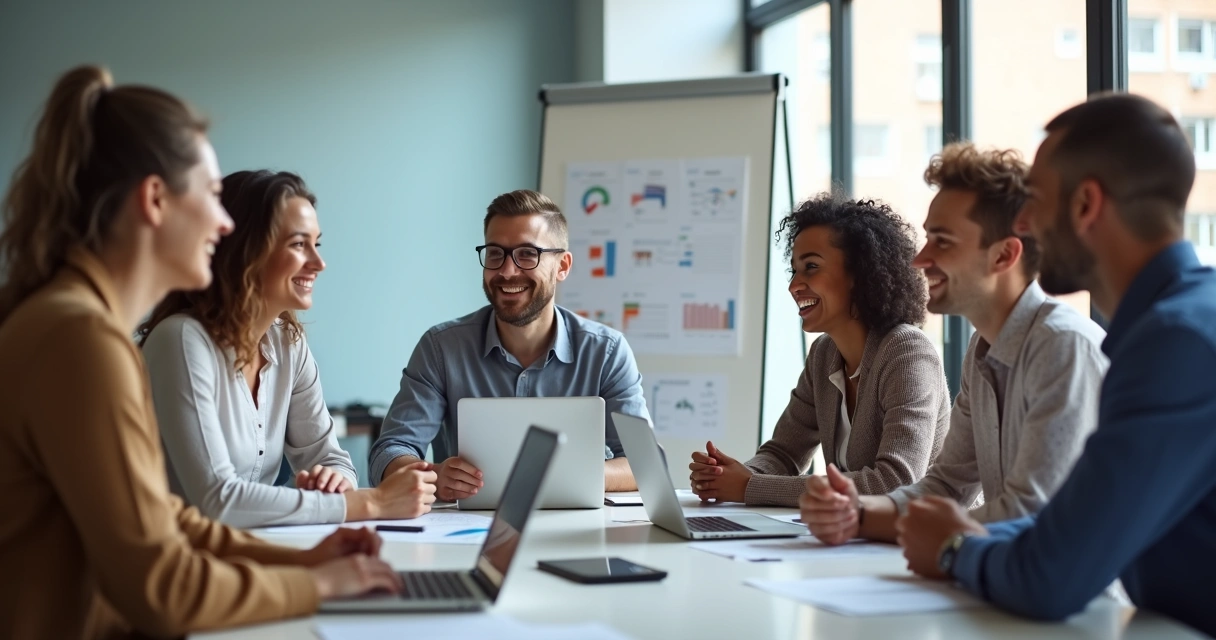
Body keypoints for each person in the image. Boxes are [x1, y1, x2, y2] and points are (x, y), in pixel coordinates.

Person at [0, 66, 403, 639]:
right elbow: (163, 589)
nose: (224, 222)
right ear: (156, 200)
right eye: (213, 197)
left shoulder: (77, 323)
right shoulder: (82, 340)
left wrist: (303, 560)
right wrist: (320, 586)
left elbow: (166, 519)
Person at [896, 94, 1216, 638]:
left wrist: (954, 547)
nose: (1022, 224)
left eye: (1036, 201)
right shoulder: (1178, 325)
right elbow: (1070, 529)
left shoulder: (1174, 346)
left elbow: (1052, 575)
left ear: (1086, 205)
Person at [800, 143, 1107, 544]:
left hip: (1073, 600)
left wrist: (878, 520)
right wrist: (854, 512)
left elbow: (1030, 510)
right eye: (927, 239)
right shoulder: (984, 349)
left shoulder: (1062, 347)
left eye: (942, 241)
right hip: (1000, 582)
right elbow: (945, 486)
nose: (920, 259)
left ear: (1003, 256)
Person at [139, 170, 436, 527]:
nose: (318, 263)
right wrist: (372, 502)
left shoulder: (288, 344)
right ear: (246, 251)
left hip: (251, 552)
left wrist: (334, 484)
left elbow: (333, 458)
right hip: (180, 566)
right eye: (298, 244)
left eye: (317, 244)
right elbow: (217, 501)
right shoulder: (181, 341)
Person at [370, 189, 650, 499]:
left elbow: (646, 465)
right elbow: (389, 451)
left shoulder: (607, 352)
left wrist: (567, 473)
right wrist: (435, 476)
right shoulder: (441, 348)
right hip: (465, 534)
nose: (506, 270)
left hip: (578, 532)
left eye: (527, 254)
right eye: (495, 253)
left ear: (563, 266)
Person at [688, 195, 951, 507]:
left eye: (811, 267)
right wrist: (729, 475)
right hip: (859, 540)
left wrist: (750, 487)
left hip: (932, 542)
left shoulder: (907, 352)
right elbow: (783, 453)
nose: (794, 286)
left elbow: (895, 482)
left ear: (861, 274)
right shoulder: (824, 354)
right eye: (794, 271)